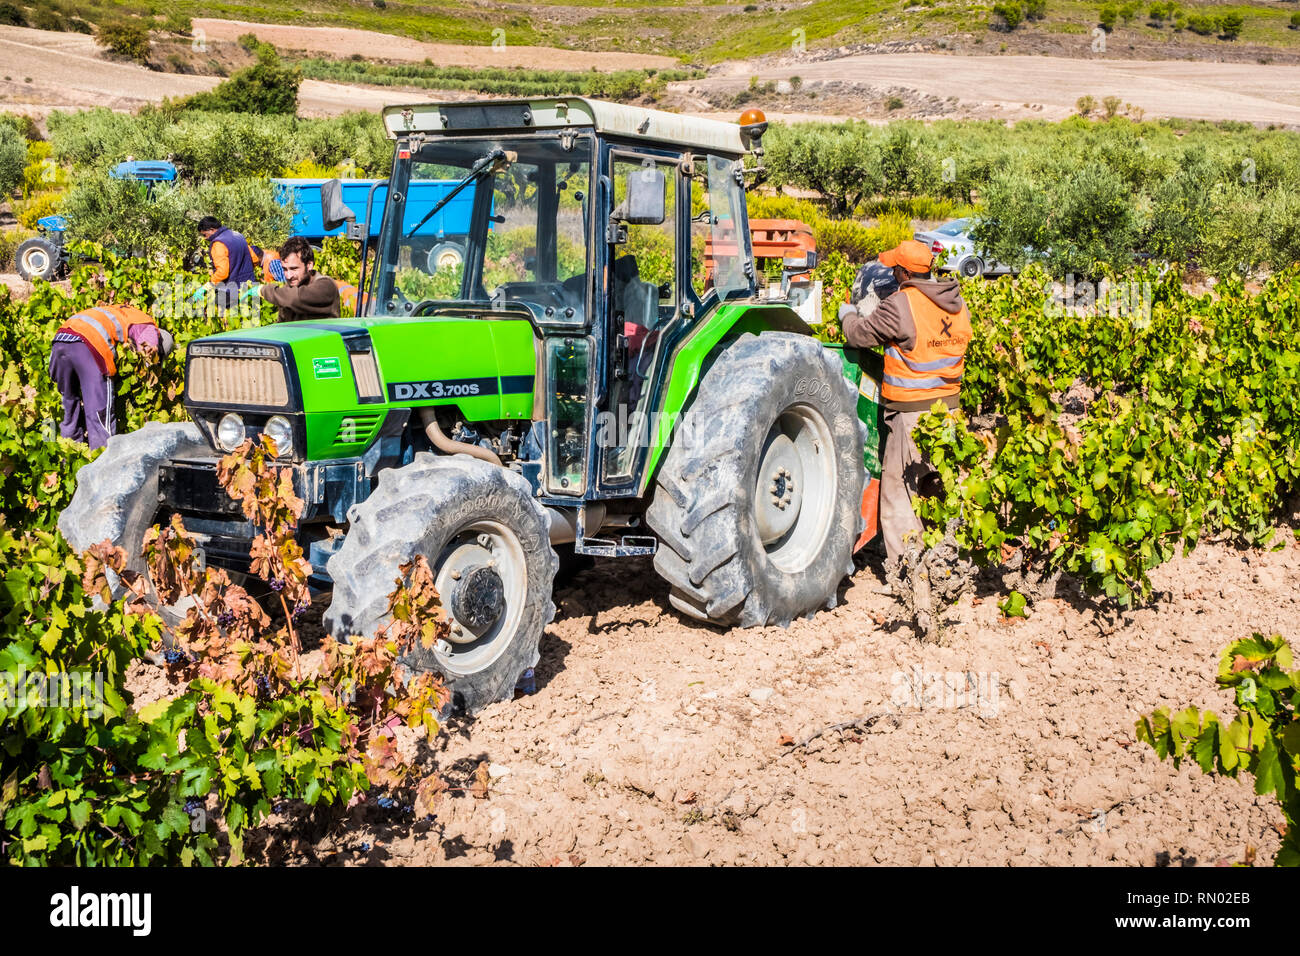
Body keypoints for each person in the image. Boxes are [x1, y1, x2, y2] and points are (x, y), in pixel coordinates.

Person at [838, 239, 972, 623]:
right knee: (934, 484)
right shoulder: (955, 300)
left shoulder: (901, 304)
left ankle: (905, 575)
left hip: (911, 412)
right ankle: (945, 559)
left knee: (898, 493)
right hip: (948, 410)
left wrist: (848, 313)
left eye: (895, 270)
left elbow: (859, 335)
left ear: (902, 273)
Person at [49, 303, 174, 450]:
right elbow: (148, 350)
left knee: (69, 406)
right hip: (90, 343)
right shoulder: (149, 326)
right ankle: (102, 465)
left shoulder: (122, 311)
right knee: (101, 416)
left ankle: (68, 459)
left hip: (61, 339)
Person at [250, 237, 341, 321]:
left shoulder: (326, 286)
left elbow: (296, 298)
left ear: (309, 265)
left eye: (294, 269)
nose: (288, 276)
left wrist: (262, 290)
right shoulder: (289, 290)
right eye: (285, 269)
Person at [197, 216, 256, 310]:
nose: (205, 238)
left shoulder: (218, 244)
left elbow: (223, 273)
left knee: (221, 317)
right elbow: (254, 259)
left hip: (230, 292)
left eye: (205, 235)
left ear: (212, 230)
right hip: (250, 288)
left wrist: (207, 286)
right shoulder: (238, 235)